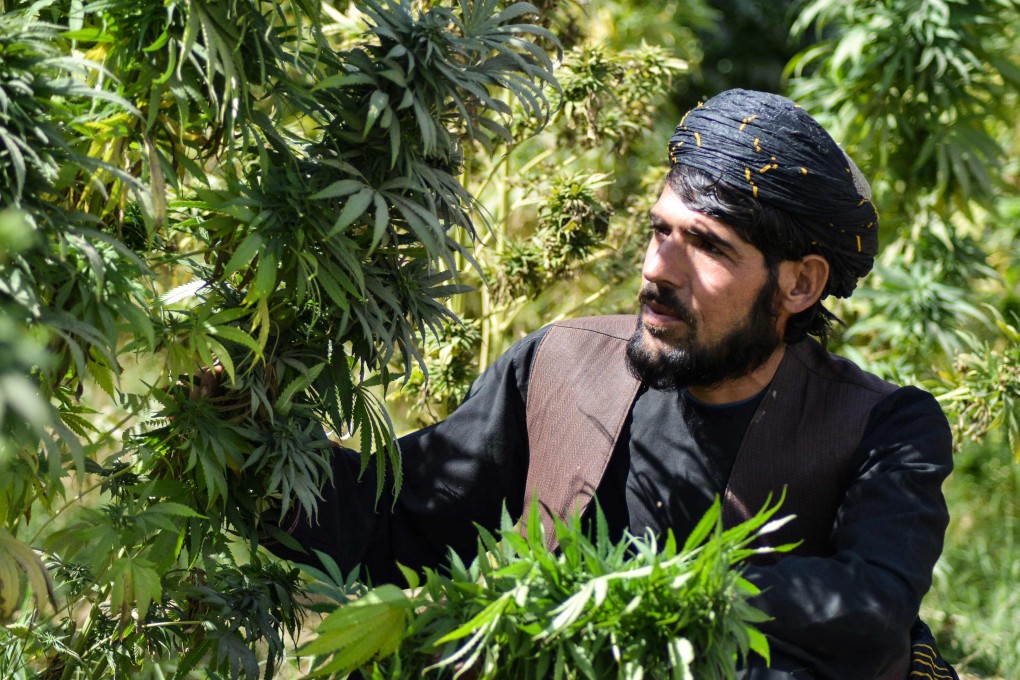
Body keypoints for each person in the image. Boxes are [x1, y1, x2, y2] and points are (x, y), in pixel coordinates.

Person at [272, 89, 956, 679]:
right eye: (660, 231)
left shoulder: (885, 428)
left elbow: (870, 609)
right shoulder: (559, 364)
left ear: (799, 283)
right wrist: (256, 441)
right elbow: (398, 520)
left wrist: (638, 595)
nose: (659, 270)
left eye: (709, 246)